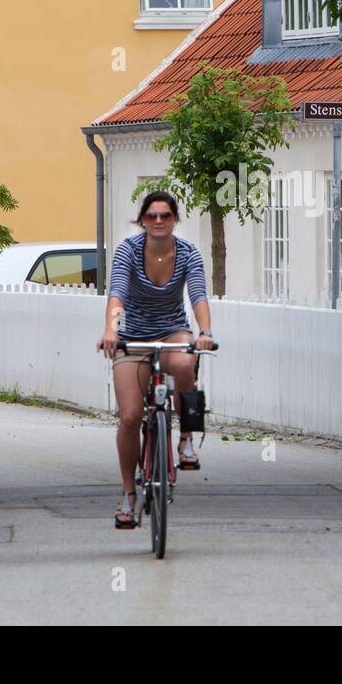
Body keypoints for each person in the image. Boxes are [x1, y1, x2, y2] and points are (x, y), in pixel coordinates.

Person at [97, 191, 214, 528]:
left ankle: (186, 440)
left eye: (165, 215)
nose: (159, 221)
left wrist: (204, 330)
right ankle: (127, 494)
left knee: (184, 363)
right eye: (152, 216)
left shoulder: (189, 253)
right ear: (143, 220)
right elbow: (116, 293)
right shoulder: (128, 251)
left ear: (174, 219)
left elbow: (198, 295)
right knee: (131, 416)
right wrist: (110, 329)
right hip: (132, 336)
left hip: (172, 330)